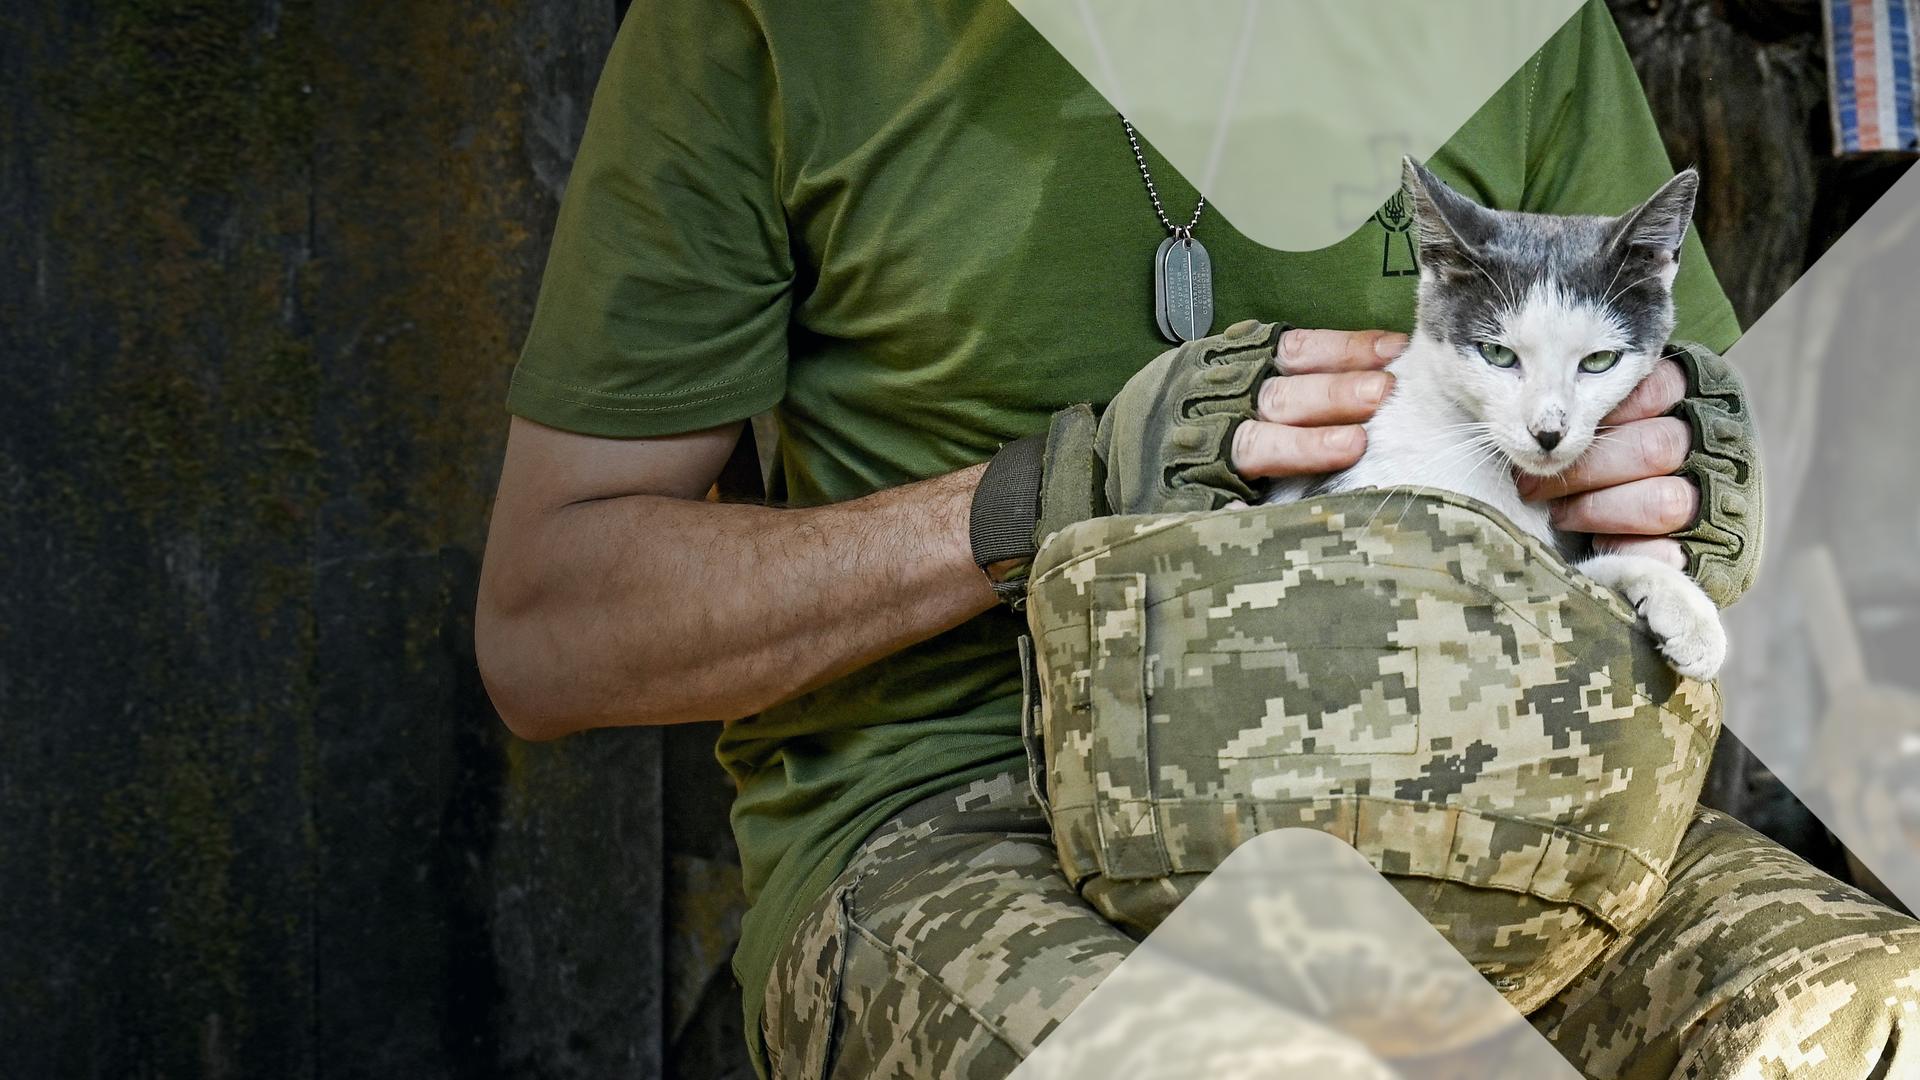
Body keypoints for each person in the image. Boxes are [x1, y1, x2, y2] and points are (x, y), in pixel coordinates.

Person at [474, 2, 1918, 1077]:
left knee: (1869, 1023)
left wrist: (1695, 475)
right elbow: (550, 636)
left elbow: (1721, 469)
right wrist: (1034, 500)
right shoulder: (775, 27)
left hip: (1506, 808)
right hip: (969, 816)